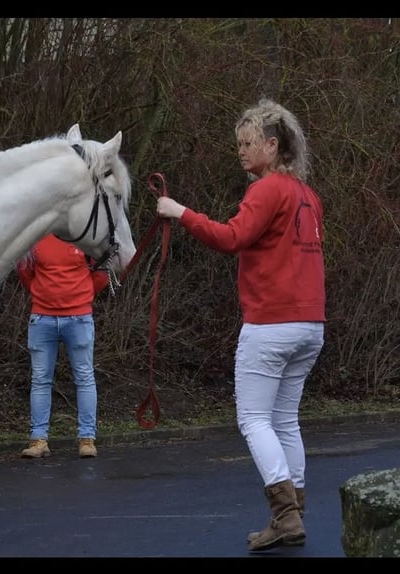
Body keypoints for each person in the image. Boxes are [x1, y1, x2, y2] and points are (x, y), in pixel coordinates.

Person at [156, 98, 325, 552]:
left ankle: (286, 515)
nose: (242, 151)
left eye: (249, 143)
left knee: (253, 418)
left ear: (273, 145)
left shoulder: (267, 190)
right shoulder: (307, 195)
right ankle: (294, 513)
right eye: (240, 144)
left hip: (271, 323)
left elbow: (232, 238)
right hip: (310, 324)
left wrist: (181, 213)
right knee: (285, 419)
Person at [16, 233, 110, 459]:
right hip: (42, 318)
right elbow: (25, 272)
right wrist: (45, 297)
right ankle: (39, 440)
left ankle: (87, 438)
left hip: (78, 318)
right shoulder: (35, 237)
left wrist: (80, 298)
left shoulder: (86, 239)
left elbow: (101, 275)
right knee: (40, 379)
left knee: (84, 377)